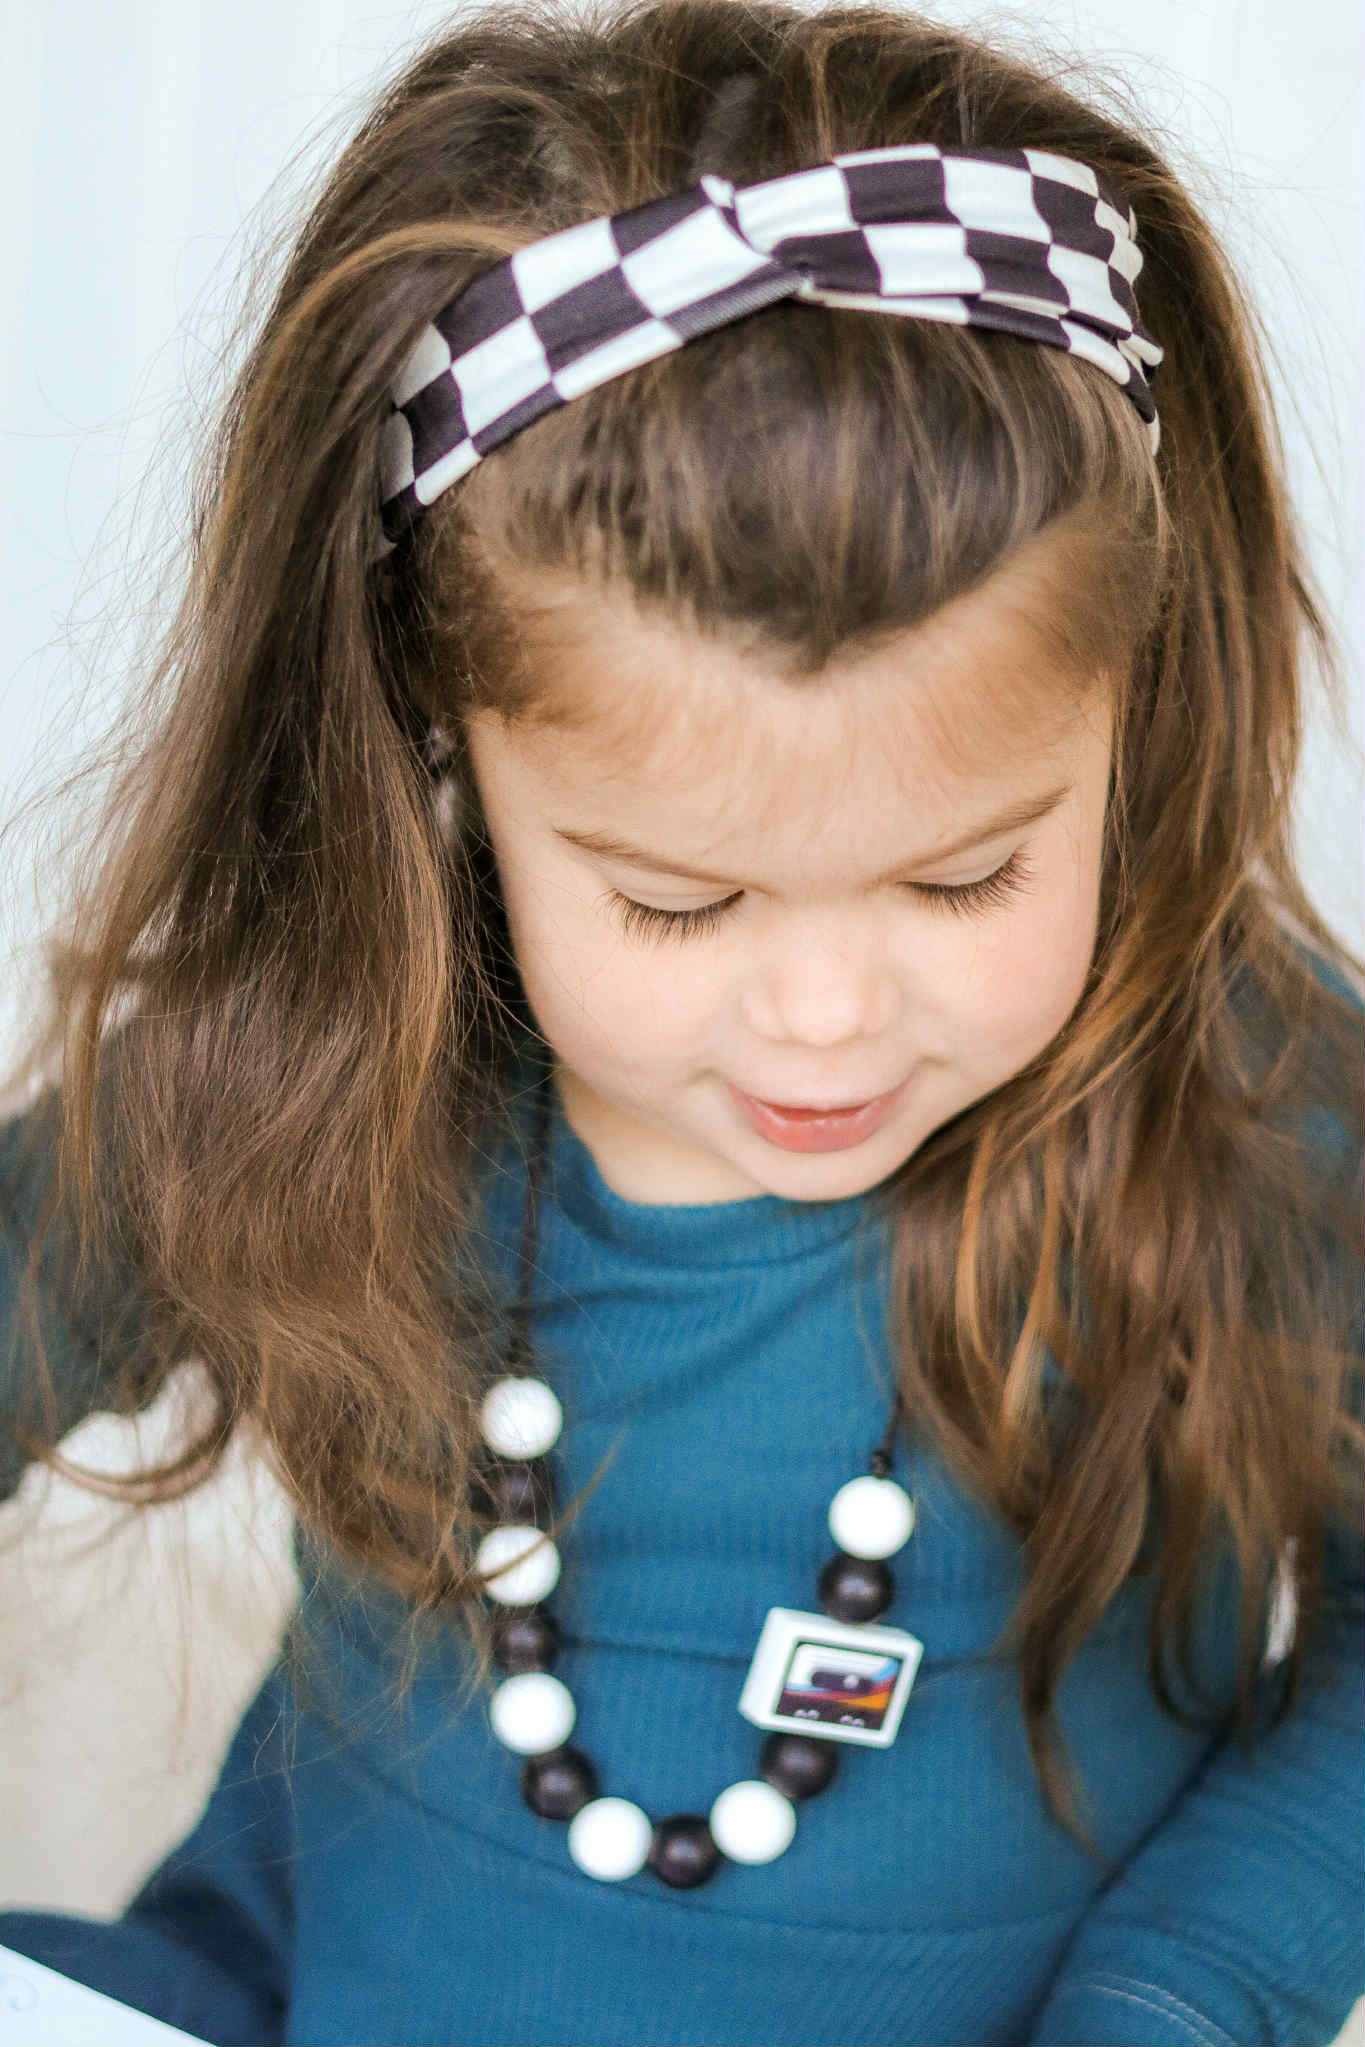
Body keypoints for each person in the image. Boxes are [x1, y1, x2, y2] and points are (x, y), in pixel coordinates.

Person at [0, 0, 1360, 2042]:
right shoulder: (315, 1070)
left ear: (1130, 710)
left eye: (961, 875)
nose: (821, 1017)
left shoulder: (1250, 1097)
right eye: (672, 899)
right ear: (439, 759)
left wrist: (1183, 1991)